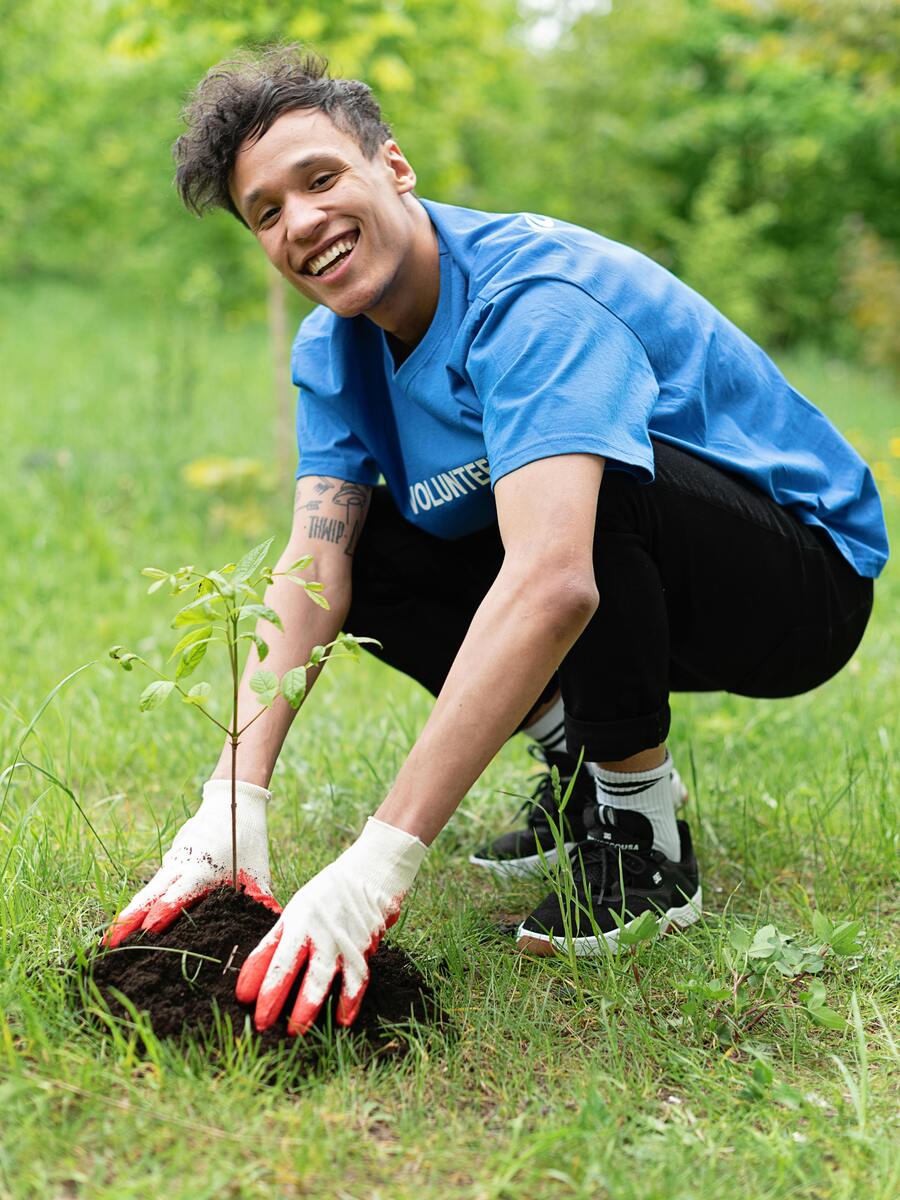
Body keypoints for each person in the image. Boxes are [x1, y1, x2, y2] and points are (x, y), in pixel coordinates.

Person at [103, 47, 888, 1036]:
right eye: (266, 212)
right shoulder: (336, 350)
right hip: (633, 581)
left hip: (795, 584)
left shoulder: (533, 302)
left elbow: (555, 581)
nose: (301, 220)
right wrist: (232, 796)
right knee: (367, 546)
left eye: (320, 178)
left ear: (394, 169)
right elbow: (315, 569)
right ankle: (576, 775)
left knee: (589, 494)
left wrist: (379, 862)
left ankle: (642, 837)